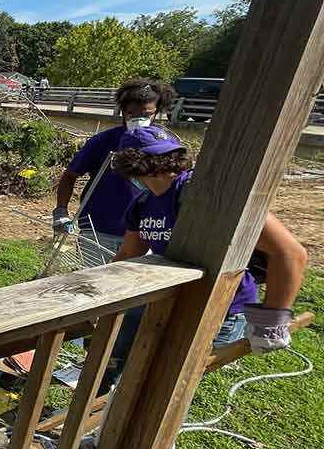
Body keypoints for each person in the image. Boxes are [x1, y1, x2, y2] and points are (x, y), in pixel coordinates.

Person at [110, 125, 307, 349]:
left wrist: (271, 322)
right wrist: (105, 292)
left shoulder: (201, 193)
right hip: (179, 303)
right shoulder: (143, 204)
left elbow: (291, 253)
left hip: (222, 310)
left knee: (178, 379)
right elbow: (128, 253)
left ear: (132, 167)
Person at [53, 79, 176, 263]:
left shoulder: (165, 144)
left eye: (147, 114)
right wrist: (61, 211)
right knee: (93, 282)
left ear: (156, 112)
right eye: (132, 114)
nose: (139, 119)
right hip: (99, 229)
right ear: (123, 112)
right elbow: (70, 175)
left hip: (145, 232)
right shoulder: (103, 141)